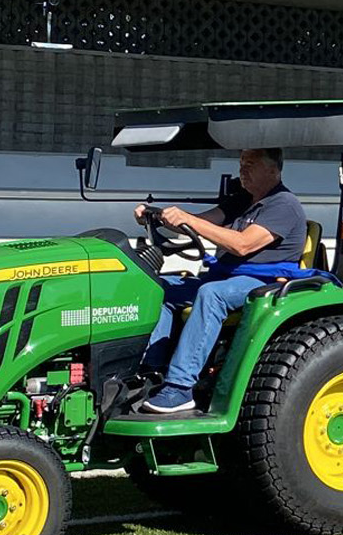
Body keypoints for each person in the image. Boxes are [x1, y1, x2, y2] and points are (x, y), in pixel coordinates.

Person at [133, 147, 310, 416]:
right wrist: (155, 216)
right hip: (229, 276)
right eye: (241, 162)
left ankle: (180, 388)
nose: (243, 169)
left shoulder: (284, 205)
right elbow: (199, 223)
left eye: (251, 163)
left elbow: (242, 245)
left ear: (273, 170)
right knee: (160, 288)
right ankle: (149, 371)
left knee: (212, 294)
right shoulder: (242, 201)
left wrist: (186, 217)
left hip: (262, 281)